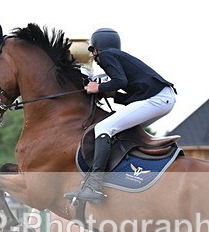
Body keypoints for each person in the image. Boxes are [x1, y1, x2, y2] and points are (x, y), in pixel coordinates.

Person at [64, 28, 176, 204]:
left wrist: (98, 88)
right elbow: (130, 94)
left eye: (93, 52)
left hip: (158, 99)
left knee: (103, 128)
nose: (94, 56)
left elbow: (120, 82)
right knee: (118, 129)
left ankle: (94, 186)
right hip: (161, 98)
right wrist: (114, 95)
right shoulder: (117, 56)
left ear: (96, 49)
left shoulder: (107, 55)